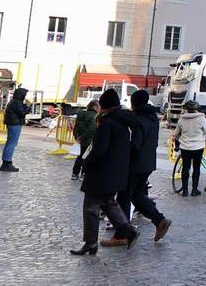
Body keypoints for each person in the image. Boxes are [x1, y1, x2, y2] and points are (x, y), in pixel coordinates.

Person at [71, 89, 139, 255]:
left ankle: (90, 242)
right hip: (115, 172)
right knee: (109, 203)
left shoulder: (108, 123)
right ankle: (128, 231)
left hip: (101, 173)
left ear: (104, 106)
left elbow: (99, 150)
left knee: (90, 207)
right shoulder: (123, 123)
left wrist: (86, 163)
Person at [107, 90, 171, 245]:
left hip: (134, 165)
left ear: (133, 103)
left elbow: (135, 145)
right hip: (147, 163)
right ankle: (159, 220)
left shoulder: (138, 120)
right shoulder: (153, 117)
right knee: (136, 195)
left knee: (124, 196)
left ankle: (123, 234)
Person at [173, 100, 206, 195]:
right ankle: (194, 190)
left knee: (185, 168)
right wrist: (204, 140)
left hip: (185, 147)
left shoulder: (182, 119)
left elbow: (176, 134)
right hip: (198, 147)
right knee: (196, 168)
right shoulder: (201, 118)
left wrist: (181, 140)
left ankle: (185, 191)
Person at [0, 87, 28, 172]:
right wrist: (28, 107)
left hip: (12, 122)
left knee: (10, 142)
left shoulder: (13, 101)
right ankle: (7, 162)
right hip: (15, 123)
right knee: (12, 143)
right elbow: (22, 113)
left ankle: (6, 162)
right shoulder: (17, 102)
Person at [71, 101, 99, 181]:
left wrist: (77, 137)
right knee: (86, 157)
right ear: (95, 107)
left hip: (80, 140)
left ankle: (75, 173)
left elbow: (75, 128)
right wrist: (82, 137)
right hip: (89, 140)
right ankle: (83, 174)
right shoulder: (94, 116)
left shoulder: (81, 114)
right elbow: (91, 130)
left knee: (79, 157)